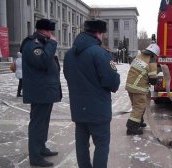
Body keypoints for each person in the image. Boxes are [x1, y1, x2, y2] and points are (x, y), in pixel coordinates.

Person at [63, 19, 120, 168]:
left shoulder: (69, 54)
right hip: (98, 110)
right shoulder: (100, 53)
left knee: (81, 145)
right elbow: (112, 82)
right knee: (101, 145)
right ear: (98, 33)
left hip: (78, 108)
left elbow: (68, 76)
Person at [21, 18, 61, 167]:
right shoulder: (32, 44)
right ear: (43, 31)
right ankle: (35, 156)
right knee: (37, 124)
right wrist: (52, 43)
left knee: (43, 123)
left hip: (45, 91)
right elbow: (43, 62)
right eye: (50, 31)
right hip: (39, 91)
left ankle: (41, 148)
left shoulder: (43, 43)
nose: (52, 34)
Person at [125, 43, 160, 135]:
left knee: (136, 105)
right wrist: (157, 79)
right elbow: (153, 80)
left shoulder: (140, 56)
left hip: (130, 85)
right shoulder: (151, 60)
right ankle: (131, 128)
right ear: (154, 54)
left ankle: (138, 122)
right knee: (139, 107)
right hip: (138, 87)